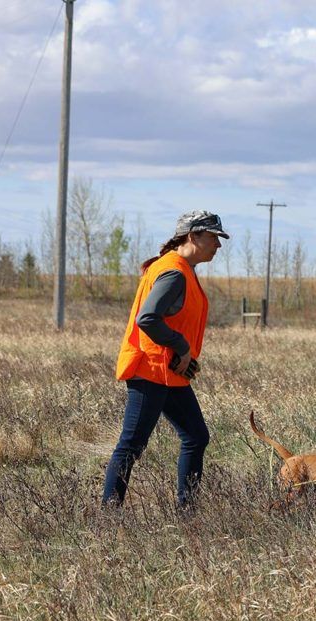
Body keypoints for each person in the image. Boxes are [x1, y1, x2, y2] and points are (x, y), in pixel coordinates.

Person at [102, 210, 228, 509]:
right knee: (131, 445)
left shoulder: (180, 268)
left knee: (196, 436)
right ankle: (107, 515)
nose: (218, 246)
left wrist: (182, 353)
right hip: (150, 371)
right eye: (213, 238)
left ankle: (188, 512)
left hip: (169, 373)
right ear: (192, 235)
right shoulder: (173, 271)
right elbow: (148, 319)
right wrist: (181, 346)